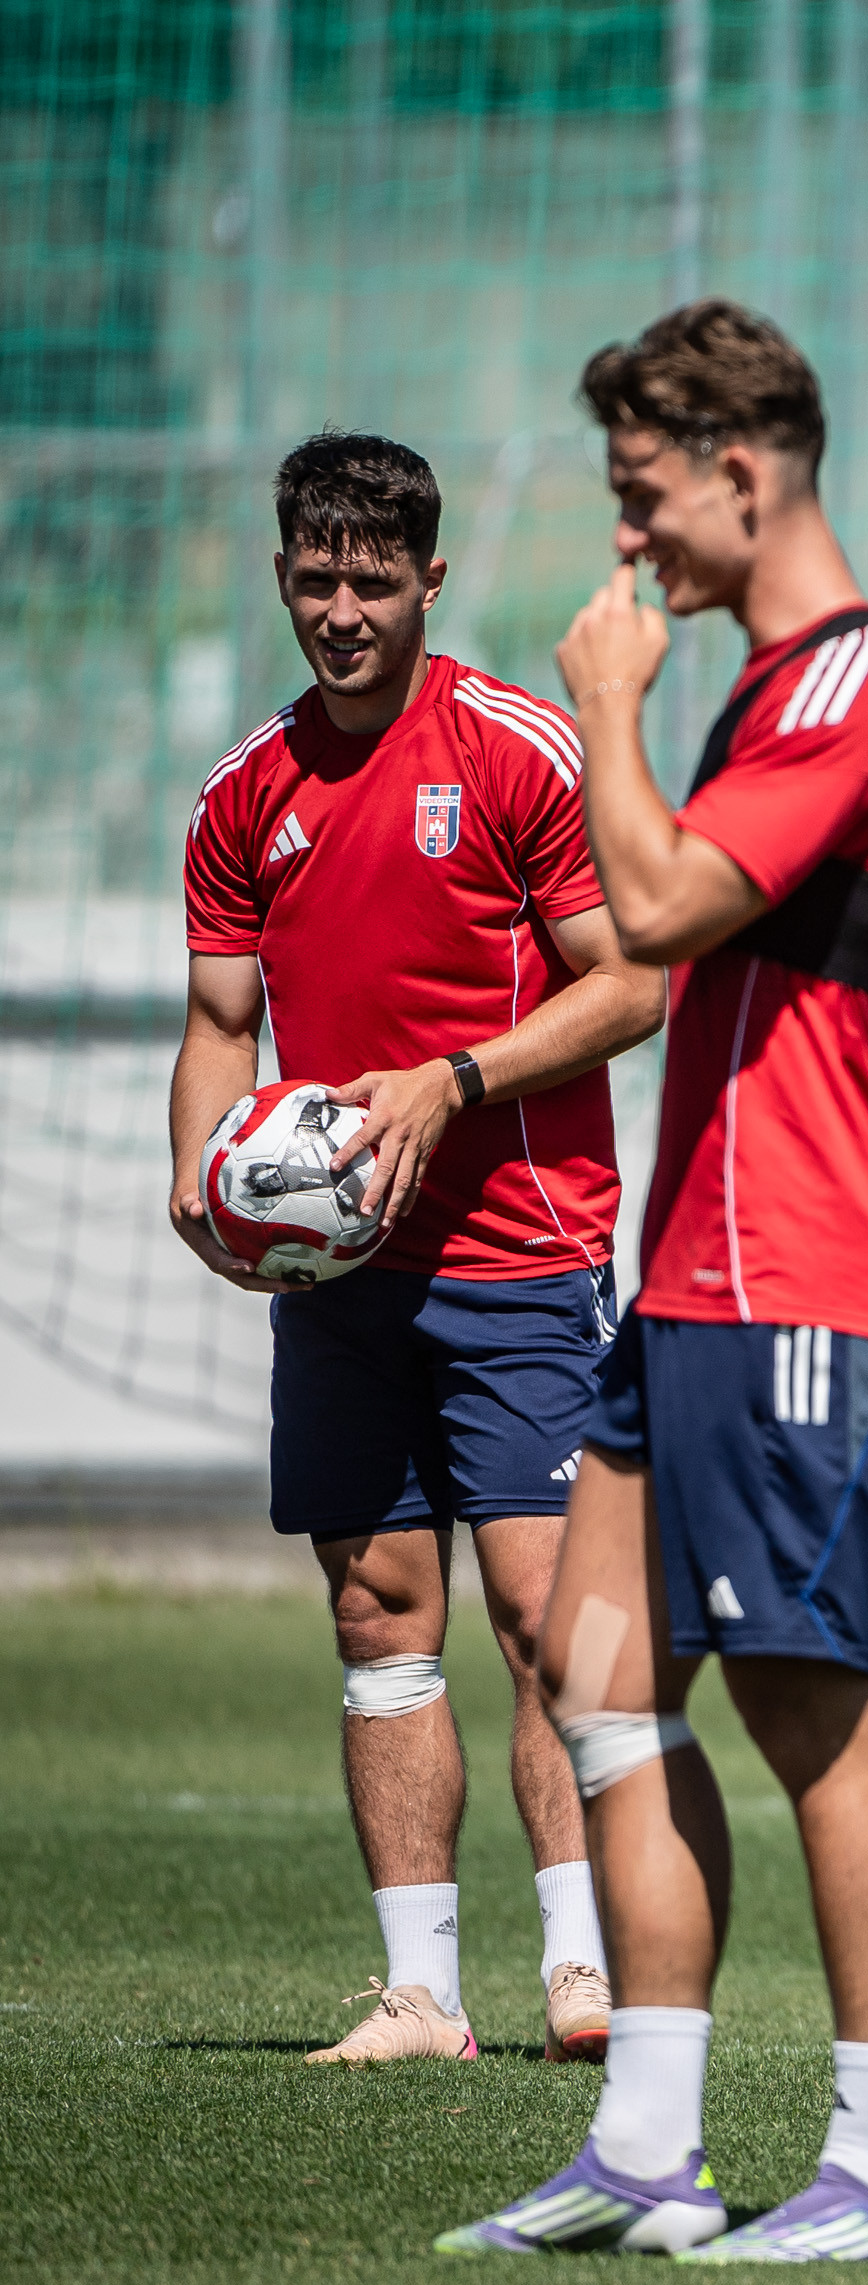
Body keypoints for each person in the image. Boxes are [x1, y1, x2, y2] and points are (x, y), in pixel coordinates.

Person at [441, 300, 868, 2261]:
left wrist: (603, 702)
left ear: (742, 474)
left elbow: (660, 913)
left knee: (813, 1707)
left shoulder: (865, 681)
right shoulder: (777, 685)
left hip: (801, 1296)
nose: (628, 539)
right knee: (598, 1684)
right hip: (693, 1288)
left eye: (642, 493)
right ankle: (647, 2150)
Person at [173, 432, 662, 2070]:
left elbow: (631, 984)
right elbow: (219, 1021)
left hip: (521, 1251)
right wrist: (198, 1171)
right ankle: (419, 1993)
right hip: (339, 1280)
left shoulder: (516, 751)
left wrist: (450, 1082)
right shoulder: (243, 792)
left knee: (541, 1611)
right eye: (315, 580)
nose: (342, 611)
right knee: (380, 1610)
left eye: (372, 582)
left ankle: (583, 1961)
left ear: (429, 581)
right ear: (282, 577)